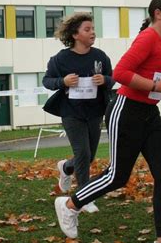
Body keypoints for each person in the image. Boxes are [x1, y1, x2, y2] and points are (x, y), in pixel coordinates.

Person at [54, 0, 161, 243]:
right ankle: (70, 204)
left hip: (150, 115)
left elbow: (155, 79)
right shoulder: (147, 38)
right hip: (126, 111)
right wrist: (157, 87)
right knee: (117, 176)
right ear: (158, 13)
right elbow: (121, 73)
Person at [42, 13, 114, 213]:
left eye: (92, 29)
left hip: (95, 112)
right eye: (87, 29)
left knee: (88, 156)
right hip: (71, 112)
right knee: (82, 152)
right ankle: (84, 197)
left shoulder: (100, 56)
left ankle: (66, 167)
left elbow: (113, 78)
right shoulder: (61, 59)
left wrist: (105, 81)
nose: (92, 32)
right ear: (75, 34)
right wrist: (62, 82)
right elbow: (47, 81)